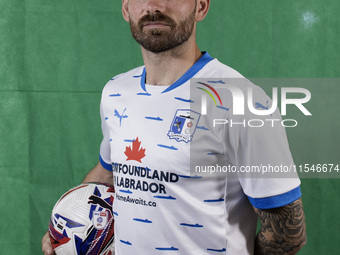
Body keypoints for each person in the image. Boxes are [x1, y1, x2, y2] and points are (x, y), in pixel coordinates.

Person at [42, 0, 307, 254]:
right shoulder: (116, 91)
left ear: (200, 7)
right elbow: (109, 171)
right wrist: (64, 226)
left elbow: (288, 233)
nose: (154, 6)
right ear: (126, 8)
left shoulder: (241, 100)